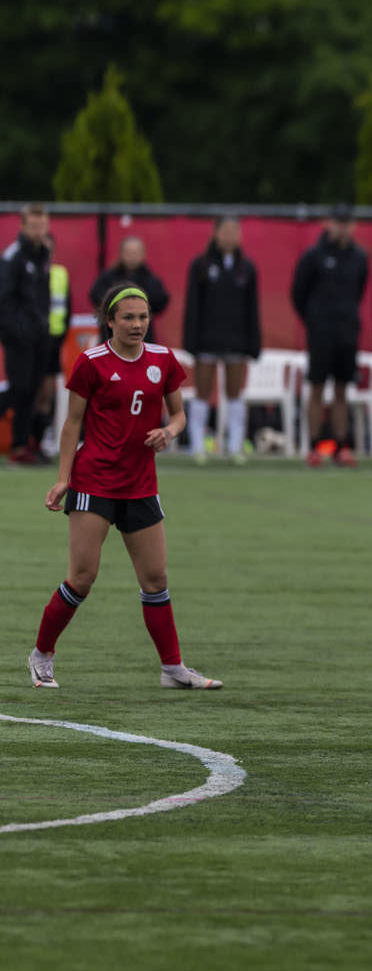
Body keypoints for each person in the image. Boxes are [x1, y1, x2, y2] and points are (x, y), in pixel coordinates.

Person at [28, 286, 221, 691]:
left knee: (156, 579)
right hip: (94, 480)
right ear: (110, 321)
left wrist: (169, 431)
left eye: (143, 317)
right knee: (82, 577)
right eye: (128, 318)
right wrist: (64, 478)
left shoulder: (163, 360)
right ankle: (42, 655)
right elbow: (72, 424)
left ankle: (173, 669)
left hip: (140, 484)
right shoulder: (92, 363)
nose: (137, 325)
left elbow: (180, 414)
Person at [292, 203, 371, 466]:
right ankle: (314, 446)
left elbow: (358, 291)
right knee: (317, 387)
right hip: (321, 333)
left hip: (346, 333)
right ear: (329, 224)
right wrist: (315, 320)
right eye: (338, 222)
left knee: (341, 389)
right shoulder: (314, 256)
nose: (343, 228)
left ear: (353, 226)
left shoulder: (359, 257)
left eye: (347, 223)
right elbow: (298, 294)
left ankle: (341, 445)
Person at [182, 215, 262, 463]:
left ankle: (235, 446)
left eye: (234, 232)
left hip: (236, 343)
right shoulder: (201, 266)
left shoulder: (246, 268)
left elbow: (252, 309)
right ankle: (198, 446)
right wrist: (191, 341)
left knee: (235, 394)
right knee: (202, 393)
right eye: (225, 231)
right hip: (206, 341)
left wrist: (253, 343)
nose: (230, 236)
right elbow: (192, 305)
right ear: (215, 234)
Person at [1, 204, 55, 465]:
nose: (38, 231)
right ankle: (19, 443)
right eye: (33, 226)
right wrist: (17, 330)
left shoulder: (43, 255)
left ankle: (21, 445)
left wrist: (42, 327)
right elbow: (4, 299)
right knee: (19, 389)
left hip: (39, 335)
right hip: (18, 336)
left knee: (31, 390)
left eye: (42, 226)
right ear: (22, 227)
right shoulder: (13, 257)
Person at [89, 236, 173, 346]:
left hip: (143, 339)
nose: (132, 256)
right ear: (121, 253)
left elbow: (162, 300)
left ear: (143, 254)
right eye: (129, 252)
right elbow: (95, 296)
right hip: (112, 337)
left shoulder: (150, 279)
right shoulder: (108, 277)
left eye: (136, 252)